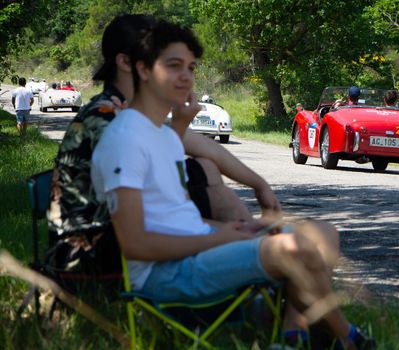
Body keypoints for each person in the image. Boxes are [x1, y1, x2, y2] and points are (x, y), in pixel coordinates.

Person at [91, 19, 373, 350]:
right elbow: (136, 244)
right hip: (165, 275)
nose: (186, 76)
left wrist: (234, 228)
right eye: (173, 65)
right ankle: (347, 338)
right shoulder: (124, 139)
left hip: (199, 247)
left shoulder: (165, 137)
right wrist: (218, 238)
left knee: (323, 233)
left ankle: (293, 335)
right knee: (295, 249)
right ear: (142, 69)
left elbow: (176, 216)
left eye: (191, 67)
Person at [47, 14, 279, 277]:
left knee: (204, 167)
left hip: (118, 231)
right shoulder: (106, 116)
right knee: (203, 172)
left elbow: (203, 146)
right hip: (90, 247)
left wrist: (260, 184)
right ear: (129, 62)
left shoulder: (131, 111)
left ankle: (260, 259)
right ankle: (261, 263)